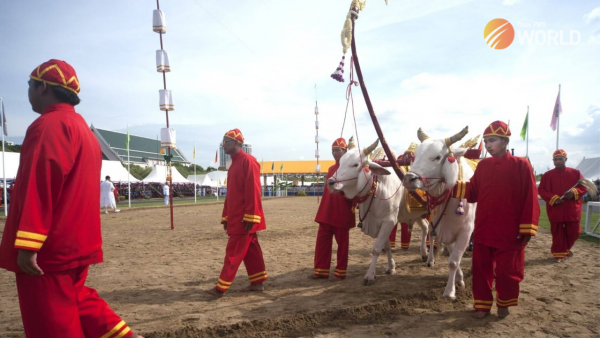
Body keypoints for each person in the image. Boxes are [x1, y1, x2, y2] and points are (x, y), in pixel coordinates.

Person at [0, 59, 142, 337]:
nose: (27, 91)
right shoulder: (85, 131)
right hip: (77, 241)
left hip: (50, 246)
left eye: (29, 85)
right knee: (77, 299)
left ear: (42, 87)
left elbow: (39, 184)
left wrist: (29, 242)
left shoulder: (48, 125)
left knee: (51, 322)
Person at [452, 121, 539, 319]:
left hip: (510, 231)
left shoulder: (521, 164)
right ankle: (482, 307)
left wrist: (527, 228)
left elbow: (530, 197)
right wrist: (449, 187)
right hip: (483, 228)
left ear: (505, 141)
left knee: (508, 272)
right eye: (486, 141)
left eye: (492, 141)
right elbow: (473, 191)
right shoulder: (482, 165)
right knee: (480, 270)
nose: (488, 145)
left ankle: (504, 303)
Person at [205, 129, 267, 297]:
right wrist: (226, 216)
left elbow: (253, 190)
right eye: (223, 141)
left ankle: (220, 288)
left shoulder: (248, 161)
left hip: (244, 218)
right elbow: (232, 194)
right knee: (251, 250)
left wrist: (251, 216)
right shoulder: (233, 165)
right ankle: (257, 283)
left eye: (228, 141)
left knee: (233, 253)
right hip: (237, 216)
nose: (224, 144)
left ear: (238, 143)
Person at [311, 138, 356, 280]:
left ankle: (340, 272)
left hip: (342, 211)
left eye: (337, 150)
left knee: (342, 244)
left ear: (345, 151)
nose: (334, 153)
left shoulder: (352, 168)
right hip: (326, 211)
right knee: (322, 242)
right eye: (333, 151)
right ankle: (321, 270)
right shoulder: (331, 169)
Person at [538, 149, 587, 262]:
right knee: (557, 233)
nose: (558, 161)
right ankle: (559, 255)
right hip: (555, 208)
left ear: (566, 159)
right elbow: (542, 190)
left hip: (572, 209)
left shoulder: (576, 173)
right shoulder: (547, 175)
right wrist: (553, 198)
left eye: (560, 159)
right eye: (555, 159)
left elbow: (584, 187)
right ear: (553, 161)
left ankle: (565, 249)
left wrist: (574, 192)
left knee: (574, 232)